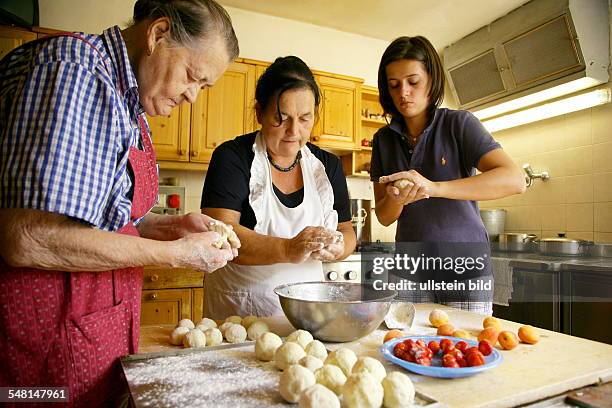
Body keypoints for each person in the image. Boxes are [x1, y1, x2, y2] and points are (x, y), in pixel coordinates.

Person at [0, 0, 240, 405]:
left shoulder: (132, 105)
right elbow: (28, 237)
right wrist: (177, 254)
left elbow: (107, 221)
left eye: (204, 87)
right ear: (158, 34)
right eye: (192, 77)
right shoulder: (75, 72)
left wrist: (174, 227)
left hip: (89, 336)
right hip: (43, 345)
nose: (194, 98)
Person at [371, 36, 526, 315]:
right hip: (411, 270)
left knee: (464, 352)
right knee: (410, 350)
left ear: (432, 79)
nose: (403, 92)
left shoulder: (458, 124)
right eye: (394, 85)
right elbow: (384, 215)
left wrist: (432, 187)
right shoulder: (383, 140)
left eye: (413, 81)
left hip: (465, 267)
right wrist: (398, 197)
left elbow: (514, 179)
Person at [201, 56, 357, 318]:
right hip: (240, 312)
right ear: (259, 112)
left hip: (307, 312)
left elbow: (346, 230)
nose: (293, 131)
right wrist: (288, 248)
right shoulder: (232, 157)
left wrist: (339, 248)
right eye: (280, 118)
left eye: (305, 118)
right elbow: (219, 235)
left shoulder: (328, 165)